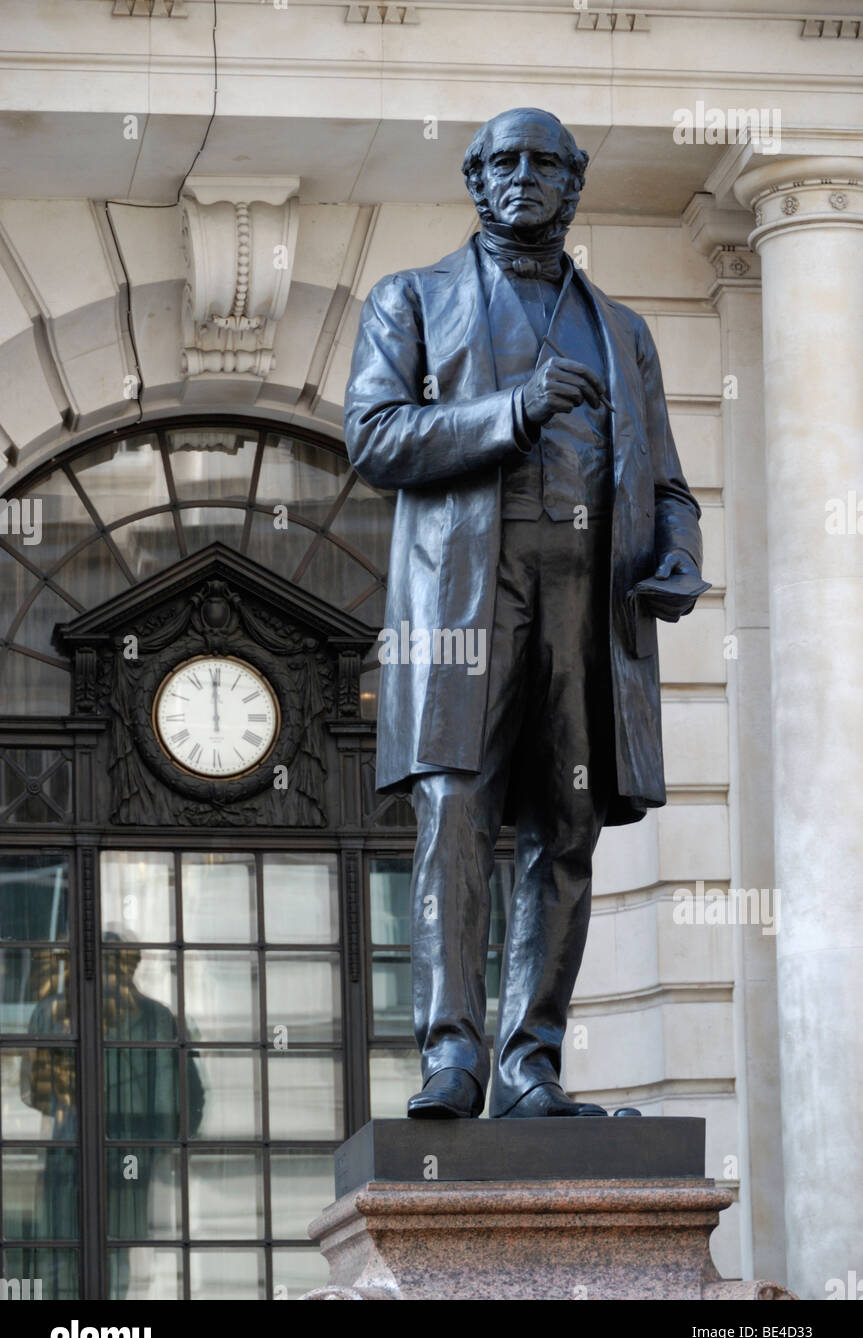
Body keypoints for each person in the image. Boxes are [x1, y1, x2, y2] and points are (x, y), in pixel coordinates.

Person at [344, 108, 705, 1119]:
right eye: (502, 162)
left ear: (574, 182)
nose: (522, 178)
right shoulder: (409, 299)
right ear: (473, 179)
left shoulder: (622, 331)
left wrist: (678, 551)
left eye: (544, 163)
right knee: (453, 812)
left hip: (585, 603)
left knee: (568, 824)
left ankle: (527, 1063)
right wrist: (512, 411)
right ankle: (451, 1058)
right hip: (465, 595)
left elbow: (667, 484)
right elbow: (373, 438)